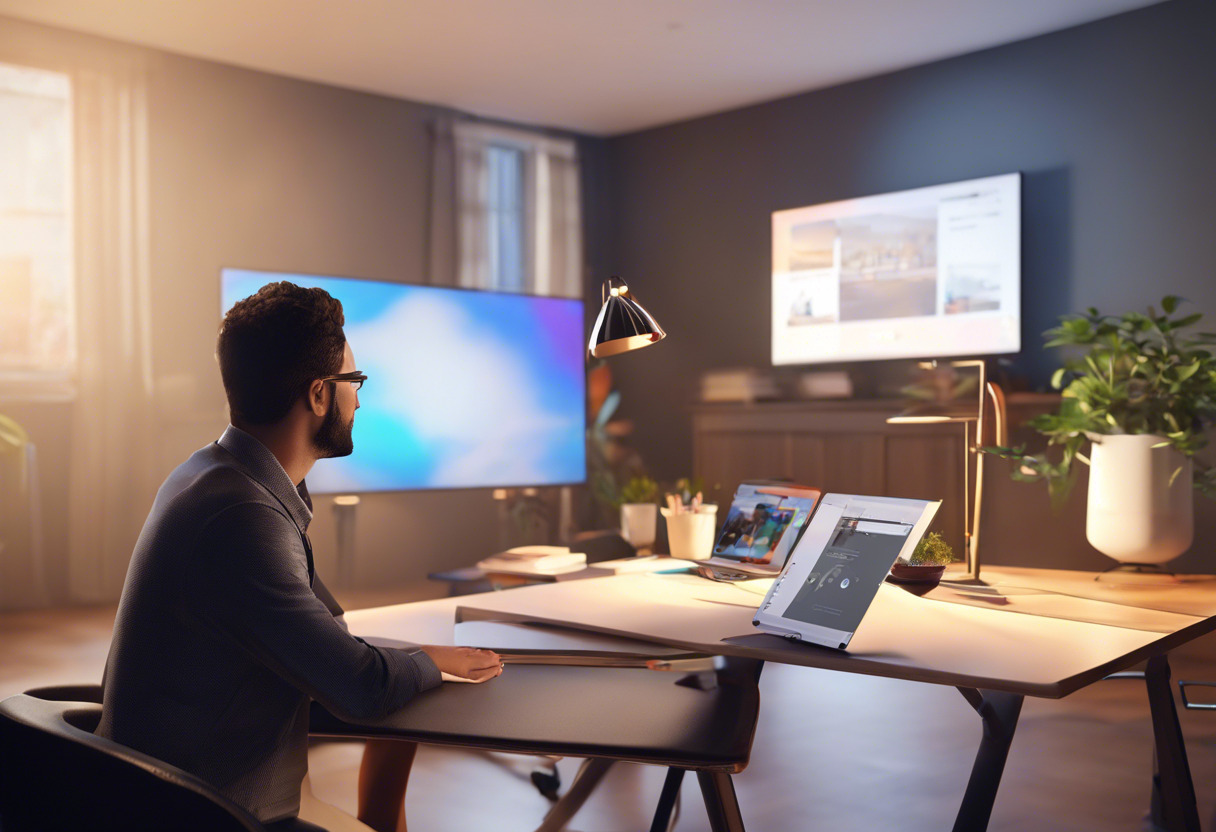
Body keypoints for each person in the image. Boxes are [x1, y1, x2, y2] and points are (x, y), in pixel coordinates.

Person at [99, 281, 502, 830]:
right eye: (353, 382)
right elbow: (359, 686)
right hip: (208, 814)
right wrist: (431, 661)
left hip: (168, 793)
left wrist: (406, 662)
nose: (357, 398)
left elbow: (326, 632)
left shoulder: (215, 476)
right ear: (318, 395)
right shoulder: (242, 518)